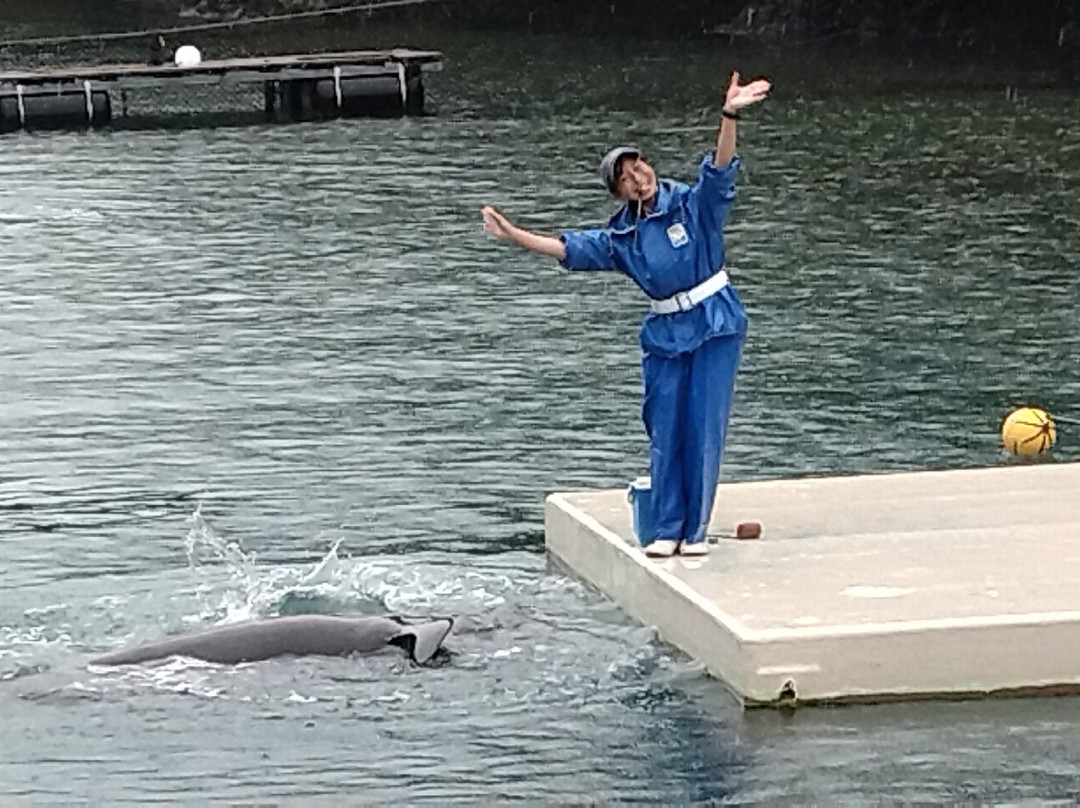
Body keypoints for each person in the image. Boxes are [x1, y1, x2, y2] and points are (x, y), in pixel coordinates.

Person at [480, 71, 771, 558]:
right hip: (665, 330)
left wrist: (728, 115)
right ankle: (666, 526)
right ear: (618, 192)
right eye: (626, 179)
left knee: (703, 424)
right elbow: (568, 248)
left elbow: (720, 170)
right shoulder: (623, 238)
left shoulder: (690, 205)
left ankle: (694, 531)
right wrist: (514, 235)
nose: (638, 179)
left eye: (639, 168)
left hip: (713, 320)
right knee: (664, 424)